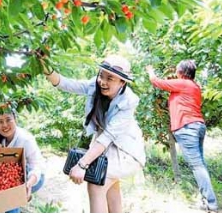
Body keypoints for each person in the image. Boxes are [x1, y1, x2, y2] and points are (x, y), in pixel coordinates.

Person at [42, 54, 146, 213]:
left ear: (122, 82)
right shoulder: (94, 85)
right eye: (101, 75)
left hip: (125, 152)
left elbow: (107, 137)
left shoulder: (128, 101)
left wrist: (82, 164)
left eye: (110, 78)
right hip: (107, 149)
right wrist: (44, 64)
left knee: (97, 183)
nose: (102, 81)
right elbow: (66, 83)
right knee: (111, 187)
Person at [146, 60, 218, 212]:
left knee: (197, 165)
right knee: (200, 164)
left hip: (187, 127)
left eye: (177, 70)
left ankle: (211, 203)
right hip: (197, 126)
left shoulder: (183, 83)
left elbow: (156, 82)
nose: (175, 72)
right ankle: (206, 201)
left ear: (182, 73)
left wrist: (150, 70)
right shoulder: (194, 86)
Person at [0, 108, 45, 213]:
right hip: (9, 177)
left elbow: (36, 166)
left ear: (15, 119)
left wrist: (29, 184)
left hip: (33, 177)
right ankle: (11, 200)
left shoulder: (26, 139)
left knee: (9, 202)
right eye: (0, 122)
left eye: (8, 120)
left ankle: (12, 202)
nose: (4, 125)